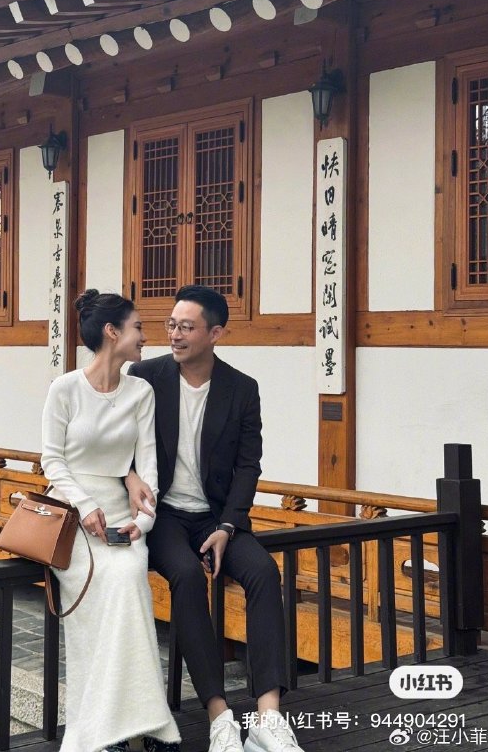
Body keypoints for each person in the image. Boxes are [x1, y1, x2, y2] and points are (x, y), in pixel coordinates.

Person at [127, 285, 303, 752]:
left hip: (216, 517)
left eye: (186, 327)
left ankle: (268, 717)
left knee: (264, 572)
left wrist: (228, 526)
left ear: (215, 333)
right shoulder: (145, 377)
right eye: (171, 325)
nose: (175, 334)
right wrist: (128, 476)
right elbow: (119, 441)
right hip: (164, 514)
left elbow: (248, 465)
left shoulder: (241, 388)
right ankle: (219, 716)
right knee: (186, 575)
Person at [40, 289, 181, 752]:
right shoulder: (64, 389)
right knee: (106, 595)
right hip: (71, 516)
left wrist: (145, 523)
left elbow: (148, 467)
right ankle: (129, 728)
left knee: (128, 578)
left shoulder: (141, 392)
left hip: (122, 517)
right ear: (112, 332)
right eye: (138, 327)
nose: (145, 336)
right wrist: (84, 505)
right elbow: (52, 461)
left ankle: (138, 724)